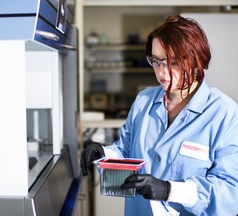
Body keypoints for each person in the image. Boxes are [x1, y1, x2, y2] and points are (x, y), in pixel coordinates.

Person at [80, 15, 238, 215]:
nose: (162, 72)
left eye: (172, 62)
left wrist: (169, 190)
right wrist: (105, 154)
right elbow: (127, 152)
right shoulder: (144, 101)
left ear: (196, 59)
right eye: (155, 61)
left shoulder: (225, 114)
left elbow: (231, 192)